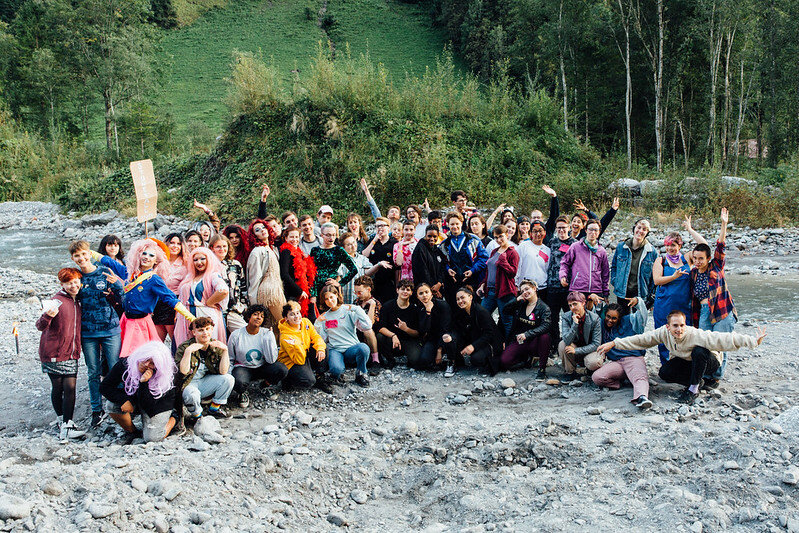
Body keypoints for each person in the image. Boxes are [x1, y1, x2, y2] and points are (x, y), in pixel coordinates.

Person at [600, 310, 766, 405]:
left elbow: (723, 338)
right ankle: (697, 381)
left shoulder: (695, 335)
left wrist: (752, 341)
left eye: (681, 325)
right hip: (687, 362)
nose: (679, 329)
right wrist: (614, 343)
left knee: (699, 352)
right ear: (668, 326)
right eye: (675, 326)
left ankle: (693, 389)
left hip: (709, 361)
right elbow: (641, 340)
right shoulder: (663, 333)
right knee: (664, 372)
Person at [70, 240, 124, 427]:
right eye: (77, 256)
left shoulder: (104, 271)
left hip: (110, 328)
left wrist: (116, 285)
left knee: (115, 366)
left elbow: (121, 295)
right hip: (87, 331)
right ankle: (96, 409)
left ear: (90, 253)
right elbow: (68, 297)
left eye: (84, 254)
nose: (82, 258)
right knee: (93, 371)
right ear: (73, 258)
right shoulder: (76, 277)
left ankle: (119, 404)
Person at [119, 239, 195, 358]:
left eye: (151, 255)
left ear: (156, 261)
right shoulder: (131, 274)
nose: (146, 257)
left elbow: (170, 298)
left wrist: (190, 317)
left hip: (141, 323)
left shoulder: (154, 279)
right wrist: (90, 254)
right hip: (126, 321)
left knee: (139, 355)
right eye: (144, 253)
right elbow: (112, 264)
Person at [37, 267, 86, 440]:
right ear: (62, 284)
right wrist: (47, 316)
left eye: (75, 282)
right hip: (53, 351)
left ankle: (66, 423)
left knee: (70, 387)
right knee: (59, 388)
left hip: (71, 352)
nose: (73, 286)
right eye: (69, 283)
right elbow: (40, 326)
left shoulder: (78, 299)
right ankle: (64, 423)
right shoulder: (56, 301)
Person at [689, 208, 736, 384]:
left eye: (701, 258)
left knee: (721, 343)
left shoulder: (716, 266)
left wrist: (724, 224)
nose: (697, 261)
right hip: (703, 311)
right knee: (705, 343)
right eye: (695, 258)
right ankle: (706, 374)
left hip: (721, 310)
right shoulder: (693, 273)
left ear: (708, 258)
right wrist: (690, 229)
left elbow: (720, 246)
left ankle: (716, 377)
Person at [100, 342, 179, 442]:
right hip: (136, 398)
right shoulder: (127, 363)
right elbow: (104, 386)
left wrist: (144, 382)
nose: (146, 364)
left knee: (153, 438)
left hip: (158, 404)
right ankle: (133, 432)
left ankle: (175, 418)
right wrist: (124, 400)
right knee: (111, 405)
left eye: (152, 363)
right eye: (145, 359)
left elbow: (149, 406)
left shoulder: (164, 377)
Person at [591, 300, 651, 408]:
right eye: (608, 316)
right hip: (617, 362)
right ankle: (621, 381)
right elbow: (593, 316)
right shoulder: (602, 325)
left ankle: (642, 397)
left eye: (614, 318)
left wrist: (638, 301)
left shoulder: (629, 322)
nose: (610, 320)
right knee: (597, 377)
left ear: (620, 318)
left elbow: (642, 315)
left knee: (640, 378)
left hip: (633, 358)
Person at [227, 305, 288, 408]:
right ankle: (243, 392)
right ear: (248, 317)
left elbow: (271, 359)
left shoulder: (266, 333)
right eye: (255, 314)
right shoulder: (236, 335)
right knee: (238, 381)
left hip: (262, 366)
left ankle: (265, 386)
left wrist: (269, 339)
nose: (259, 318)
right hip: (243, 367)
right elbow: (230, 358)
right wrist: (229, 377)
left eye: (262, 316)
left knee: (282, 369)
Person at [175, 317, 234, 419]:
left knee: (229, 379)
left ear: (211, 330)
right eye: (201, 330)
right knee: (192, 395)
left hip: (205, 381)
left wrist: (225, 351)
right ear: (194, 332)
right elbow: (183, 371)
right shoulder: (185, 347)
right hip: (188, 383)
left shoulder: (216, 345)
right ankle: (197, 416)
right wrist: (188, 352)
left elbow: (223, 371)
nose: (205, 333)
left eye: (207, 329)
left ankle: (214, 409)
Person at [314, 285, 372, 387]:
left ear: (337, 295)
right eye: (326, 299)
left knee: (364, 348)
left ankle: (361, 373)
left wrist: (357, 309)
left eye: (331, 297)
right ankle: (339, 369)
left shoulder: (348, 310)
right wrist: (318, 323)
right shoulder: (325, 317)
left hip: (351, 348)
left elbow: (367, 326)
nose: (330, 301)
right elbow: (322, 339)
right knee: (336, 371)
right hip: (335, 350)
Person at [652, 229, 693, 365]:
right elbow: (657, 280)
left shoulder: (687, 258)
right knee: (665, 334)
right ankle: (667, 365)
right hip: (664, 304)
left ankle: (685, 364)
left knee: (684, 334)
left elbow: (704, 247)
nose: (670, 248)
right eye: (667, 245)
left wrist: (690, 229)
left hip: (684, 305)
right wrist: (674, 277)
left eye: (673, 245)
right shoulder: (661, 260)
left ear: (679, 246)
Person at [174, 247, 229, 347]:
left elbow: (223, 291)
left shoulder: (213, 275)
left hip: (205, 314)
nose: (199, 262)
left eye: (202, 259)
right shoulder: (189, 277)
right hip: (186, 316)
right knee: (188, 347)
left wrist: (209, 302)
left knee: (208, 346)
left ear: (209, 259)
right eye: (195, 260)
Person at [443, 286, 503, 377]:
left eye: (462, 297)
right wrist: (449, 336)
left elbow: (489, 334)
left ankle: (489, 361)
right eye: (458, 299)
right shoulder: (460, 312)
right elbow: (455, 328)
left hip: (489, 342)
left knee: (476, 359)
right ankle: (453, 363)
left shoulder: (481, 311)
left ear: (470, 297)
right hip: (473, 338)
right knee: (452, 338)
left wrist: (473, 346)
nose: (460, 301)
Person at [499, 280, 551, 380]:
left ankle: (542, 369)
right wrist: (516, 300)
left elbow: (546, 326)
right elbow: (505, 311)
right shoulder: (521, 305)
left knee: (545, 337)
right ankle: (526, 359)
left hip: (535, 342)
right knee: (504, 361)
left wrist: (527, 334)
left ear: (534, 289)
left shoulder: (544, 308)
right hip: (520, 340)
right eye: (522, 291)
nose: (525, 292)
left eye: (527, 289)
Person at [559, 219, 609, 310]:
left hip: (596, 290)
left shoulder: (602, 251)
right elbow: (565, 263)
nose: (593, 232)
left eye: (596, 230)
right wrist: (563, 276)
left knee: (595, 320)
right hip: (578, 289)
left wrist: (605, 292)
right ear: (586, 230)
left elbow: (605, 274)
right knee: (578, 319)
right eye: (590, 229)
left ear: (599, 232)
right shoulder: (575, 247)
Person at [610, 218, 657, 315]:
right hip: (623, 292)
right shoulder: (622, 247)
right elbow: (614, 266)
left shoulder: (652, 252)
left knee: (638, 324)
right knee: (622, 321)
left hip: (641, 293)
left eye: (644, 229)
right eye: (639, 227)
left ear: (647, 232)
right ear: (634, 228)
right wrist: (615, 281)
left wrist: (651, 295)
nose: (640, 231)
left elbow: (654, 276)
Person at [440, 211, 488, 307]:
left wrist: (473, 270)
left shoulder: (473, 240)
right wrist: (447, 269)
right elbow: (441, 262)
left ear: (461, 223)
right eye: (452, 224)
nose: (455, 226)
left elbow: (484, 258)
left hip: (472, 281)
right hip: (453, 282)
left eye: (457, 223)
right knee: (455, 310)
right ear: (448, 225)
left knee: (473, 308)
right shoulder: (444, 244)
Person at [478, 225, 519, 336]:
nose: (498, 240)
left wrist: (503, 262)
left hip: (504, 292)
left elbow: (513, 273)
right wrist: (482, 285)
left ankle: (509, 348)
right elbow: (489, 271)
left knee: (507, 322)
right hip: (490, 291)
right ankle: (491, 342)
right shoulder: (494, 251)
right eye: (496, 237)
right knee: (481, 316)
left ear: (507, 235)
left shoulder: (512, 252)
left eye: (501, 236)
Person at [246, 219, 287, 329]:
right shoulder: (257, 252)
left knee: (275, 326)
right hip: (269, 291)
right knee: (284, 322)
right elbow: (254, 280)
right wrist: (255, 306)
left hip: (277, 288)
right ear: (254, 235)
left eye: (263, 227)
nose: (262, 231)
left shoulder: (271, 248)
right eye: (257, 230)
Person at [277, 301, 326, 390]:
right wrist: (297, 345)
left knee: (323, 349)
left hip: (304, 352)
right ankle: (287, 379)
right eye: (292, 314)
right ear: (286, 318)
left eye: (297, 313)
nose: (296, 316)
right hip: (292, 361)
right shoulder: (285, 336)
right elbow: (299, 360)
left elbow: (316, 336)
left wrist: (320, 349)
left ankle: (320, 377)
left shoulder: (305, 322)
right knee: (309, 381)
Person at [545, 216, 575, 349]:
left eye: (564, 227)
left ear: (569, 228)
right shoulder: (551, 242)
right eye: (559, 228)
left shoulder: (575, 244)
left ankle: (570, 342)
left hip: (569, 288)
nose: (561, 230)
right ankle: (555, 343)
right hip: (552, 287)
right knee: (553, 318)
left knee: (569, 316)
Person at [376, 280, 421, 369]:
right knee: (379, 336)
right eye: (402, 289)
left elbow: (418, 333)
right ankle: (390, 359)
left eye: (408, 290)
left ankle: (409, 357)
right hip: (391, 339)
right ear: (397, 290)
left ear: (411, 292)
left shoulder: (415, 310)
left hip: (408, 340)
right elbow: (380, 327)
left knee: (416, 361)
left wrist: (406, 329)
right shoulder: (387, 306)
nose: (405, 292)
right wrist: (393, 335)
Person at [311, 223, 358, 307]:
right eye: (328, 235)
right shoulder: (315, 250)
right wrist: (313, 293)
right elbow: (311, 273)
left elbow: (354, 269)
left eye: (333, 235)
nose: (331, 238)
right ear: (322, 235)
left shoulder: (338, 250)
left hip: (331, 289)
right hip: (317, 289)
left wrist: (340, 283)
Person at [558, 291, 602, 382]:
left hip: (590, 350)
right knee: (562, 345)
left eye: (575, 304)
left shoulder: (594, 318)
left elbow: (596, 344)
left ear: (583, 303)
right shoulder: (566, 317)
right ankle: (570, 372)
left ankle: (588, 371)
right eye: (570, 305)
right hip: (575, 346)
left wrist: (576, 351)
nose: (572, 308)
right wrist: (575, 324)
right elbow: (566, 340)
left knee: (593, 363)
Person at [210, 234, 248, 333]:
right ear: (212, 248)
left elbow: (242, 286)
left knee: (243, 334)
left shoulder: (235, 265)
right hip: (215, 309)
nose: (222, 249)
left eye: (224, 246)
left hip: (234, 309)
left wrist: (244, 305)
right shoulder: (209, 265)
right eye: (218, 246)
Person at [278, 226, 316, 317]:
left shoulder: (298, 252)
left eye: (296, 237)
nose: (294, 239)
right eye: (291, 237)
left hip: (301, 292)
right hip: (292, 293)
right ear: (286, 238)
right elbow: (284, 274)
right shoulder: (286, 252)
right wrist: (299, 291)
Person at [415, 283, 453, 371]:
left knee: (448, 339)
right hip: (432, 339)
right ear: (417, 297)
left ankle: (452, 361)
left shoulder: (442, 305)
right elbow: (423, 329)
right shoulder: (420, 308)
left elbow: (446, 328)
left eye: (426, 292)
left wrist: (439, 350)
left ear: (431, 293)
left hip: (446, 336)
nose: (424, 295)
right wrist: (428, 312)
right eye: (421, 293)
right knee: (424, 361)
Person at [158, 233, 188, 342]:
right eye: (172, 243)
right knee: (157, 342)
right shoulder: (159, 261)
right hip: (157, 303)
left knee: (176, 340)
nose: (175, 246)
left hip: (174, 303)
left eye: (178, 244)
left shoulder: (185, 265)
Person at [362, 216, 398, 303]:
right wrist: (375, 239)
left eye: (382, 226)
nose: (380, 228)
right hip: (374, 281)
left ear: (388, 228)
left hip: (389, 281)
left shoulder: (394, 242)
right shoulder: (372, 241)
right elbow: (364, 255)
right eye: (378, 226)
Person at [338, 232, 378, 304]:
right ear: (343, 247)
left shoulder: (362, 258)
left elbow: (368, 273)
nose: (353, 246)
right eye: (349, 244)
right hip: (345, 298)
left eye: (354, 242)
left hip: (359, 299)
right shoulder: (340, 260)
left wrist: (378, 265)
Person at [514, 221, 550, 301]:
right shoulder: (524, 246)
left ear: (544, 232)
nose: (538, 234)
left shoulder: (547, 250)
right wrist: (516, 284)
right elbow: (517, 266)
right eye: (534, 231)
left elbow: (547, 270)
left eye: (540, 231)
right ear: (530, 233)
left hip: (542, 289)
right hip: (525, 289)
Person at [411, 225, 447, 298]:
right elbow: (422, 271)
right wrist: (432, 289)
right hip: (424, 291)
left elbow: (442, 268)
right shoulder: (420, 248)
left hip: (438, 288)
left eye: (434, 236)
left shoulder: (437, 250)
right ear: (425, 235)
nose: (432, 239)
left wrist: (439, 283)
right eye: (429, 236)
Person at [353, 276, 381, 368]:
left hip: (371, 334)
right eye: (355, 292)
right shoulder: (356, 302)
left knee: (367, 330)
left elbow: (370, 323)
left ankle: (375, 360)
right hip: (357, 332)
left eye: (359, 292)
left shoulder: (376, 303)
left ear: (368, 289)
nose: (357, 294)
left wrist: (372, 305)